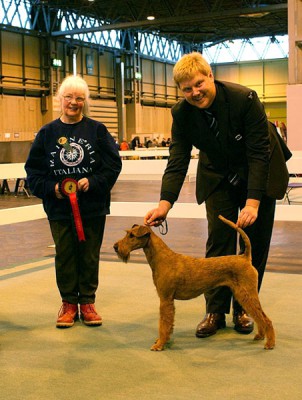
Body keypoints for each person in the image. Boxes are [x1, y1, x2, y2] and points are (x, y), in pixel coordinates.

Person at [144, 52, 291, 339]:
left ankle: (243, 308)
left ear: (210, 76)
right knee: (218, 241)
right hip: (218, 174)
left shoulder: (244, 99)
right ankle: (215, 311)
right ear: (180, 91)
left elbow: (259, 153)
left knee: (255, 243)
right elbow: (178, 159)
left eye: (199, 84)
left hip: (260, 168)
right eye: (187, 89)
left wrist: (253, 202)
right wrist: (165, 203)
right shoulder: (181, 113)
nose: (195, 93)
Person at [25, 75, 122, 328]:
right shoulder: (47, 133)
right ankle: (68, 304)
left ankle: (87, 303)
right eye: (69, 97)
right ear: (60, 100)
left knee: (89, 255)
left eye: (79, 98)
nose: (74, 102)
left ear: (85, 102)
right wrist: (54, 188)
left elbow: (113, 165)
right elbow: (33, 174)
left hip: (92, 207)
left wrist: (94, 181)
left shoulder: (97, 130)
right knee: (65, 255)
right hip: (59, 209)